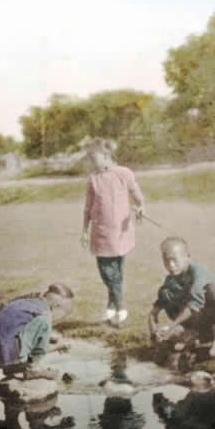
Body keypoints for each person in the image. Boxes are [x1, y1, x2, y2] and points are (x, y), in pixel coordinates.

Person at [81, 138, 145, 326]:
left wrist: (141, 206)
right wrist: (84, 231)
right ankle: (112, 306)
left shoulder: (123, 173)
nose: (92, 163)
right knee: (108, 272)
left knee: (113, 272)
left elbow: (136, 194)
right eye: (90, 159)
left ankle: (121, 308)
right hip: (100, 233)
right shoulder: (93, 179)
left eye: (94, 159)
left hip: (120, 233)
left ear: (106, 156)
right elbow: (88, 208)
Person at [148, 237, 215, 357]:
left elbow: (193, 306)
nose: (171, 265)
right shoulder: (170, 280)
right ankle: (194, 332)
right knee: (166, 293)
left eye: (174, 260)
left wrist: (171, 327)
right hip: (201, 320)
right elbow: (154, 311)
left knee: (213, 289)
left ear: (187, 257)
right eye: (166, 261)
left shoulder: (199, 271)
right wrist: (153, 330)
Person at [0, 283, 75, 380]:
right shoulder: (45, 315)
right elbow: (37, 351)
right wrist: (59, 346)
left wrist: (49, 338)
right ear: (57, 306)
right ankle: (32, 370)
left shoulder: (28, 301)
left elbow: (16, 327)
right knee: (35, 359)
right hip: (6, 355)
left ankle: (12, 368)